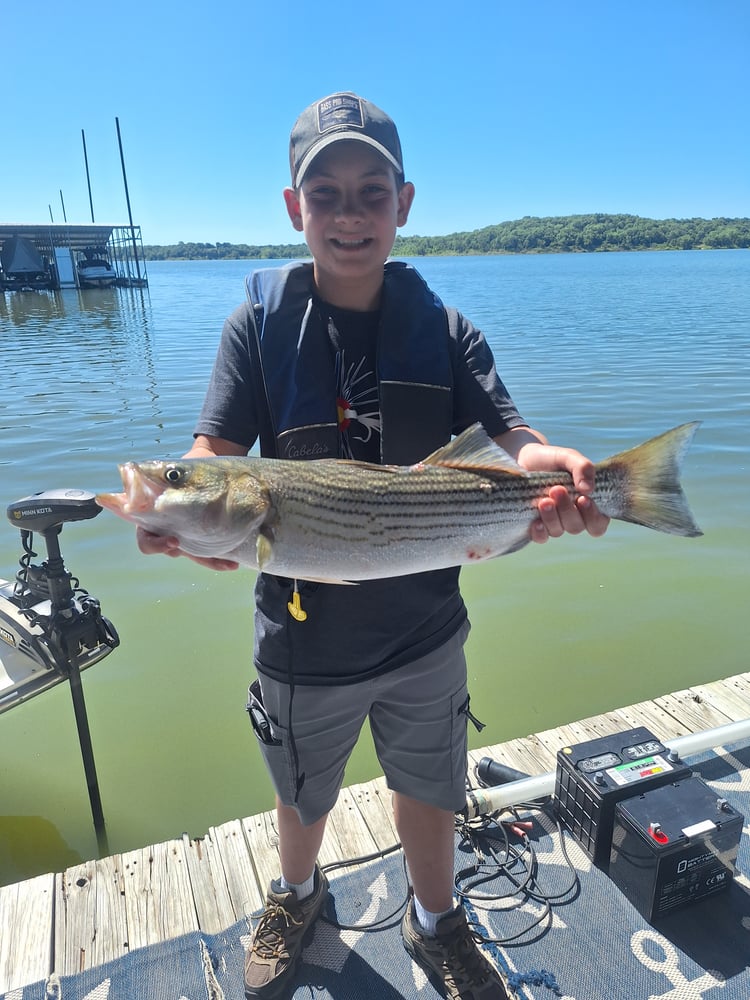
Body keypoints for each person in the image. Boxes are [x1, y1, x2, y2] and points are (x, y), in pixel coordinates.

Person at [138, 92, 610, 1000]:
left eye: (371, 191)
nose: (349, 215)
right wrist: (177, 505)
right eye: (326, 194)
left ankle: (436, 921)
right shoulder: (255, 326)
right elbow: (213, 459)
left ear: (405, 201)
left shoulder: (447, 330)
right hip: (302, 639)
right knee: (301, 790)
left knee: (431, 783)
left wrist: (555, 472)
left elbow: (514, 441)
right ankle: (297, 891)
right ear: (292, 208)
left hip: (428, 627)